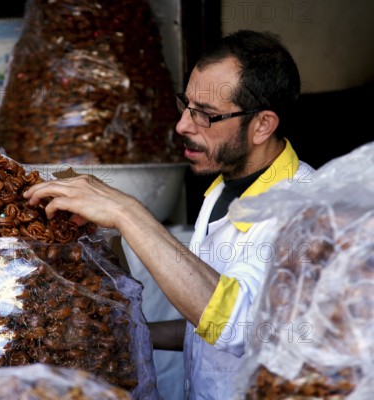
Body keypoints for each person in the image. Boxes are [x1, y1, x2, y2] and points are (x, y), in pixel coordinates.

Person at [24, 30, 314, 399]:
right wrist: (125, 332)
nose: (182, 126)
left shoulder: (305, 212)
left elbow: (233, 322)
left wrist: (125, 211)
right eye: (186, 105)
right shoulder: (223, 189)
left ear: (262, 125)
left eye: (206, 115)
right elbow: (204, 319)